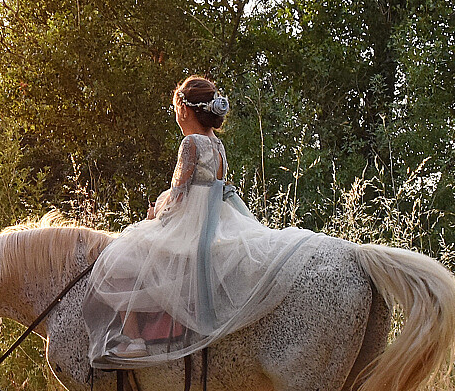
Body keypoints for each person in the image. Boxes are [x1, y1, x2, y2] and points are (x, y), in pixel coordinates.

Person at [85, 76, 324, 368]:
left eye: (175, 108)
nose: (175, 115)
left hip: (191, 221)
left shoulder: (190, 143)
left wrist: (154, 217)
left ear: (184, 110)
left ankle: (134, 340)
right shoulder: (218, 145)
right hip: (215, 217)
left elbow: (179, 193)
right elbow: (218, 186)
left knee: (122, 255)